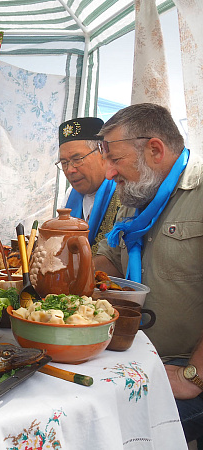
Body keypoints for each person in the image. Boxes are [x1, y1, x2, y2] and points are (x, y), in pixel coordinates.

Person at [94, 103, 203, 443]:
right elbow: (110, 260)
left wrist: (193, 377)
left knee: (111, 435)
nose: (108, 172)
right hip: (136, 360)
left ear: (155, 150)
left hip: (186, 369)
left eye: (115, 159)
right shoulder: (136, 196)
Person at [57, 117, 121, 253]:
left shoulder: (122, 192)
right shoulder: (70, 195)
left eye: (77, 159)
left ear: (102, 152)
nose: (70, 170)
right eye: (64, 163)